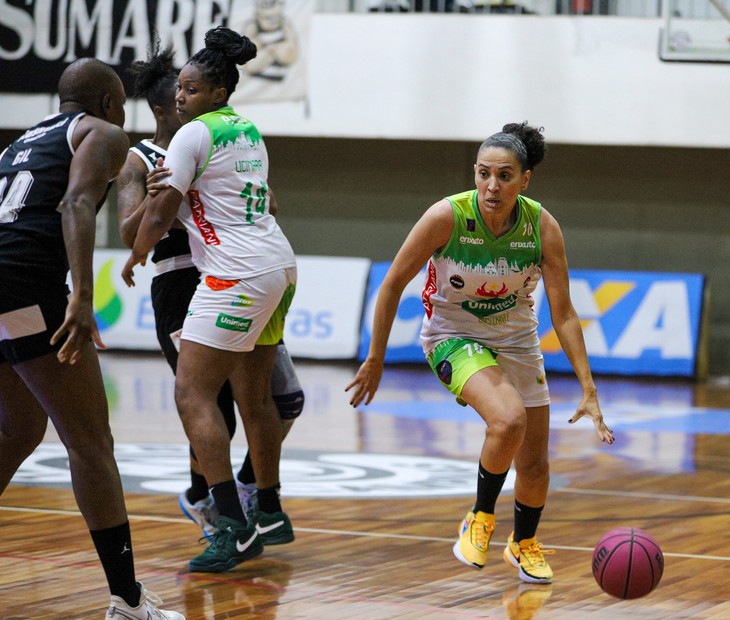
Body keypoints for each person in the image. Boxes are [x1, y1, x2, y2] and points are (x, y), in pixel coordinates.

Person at [348, 122, 613, 584]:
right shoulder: (446, 217)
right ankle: (479, 517)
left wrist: (588, 387)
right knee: (508, 420)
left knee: (534, 463)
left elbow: (565, 313)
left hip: (517, 339)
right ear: (474, 174)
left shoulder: (542, 227)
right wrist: (376, 357)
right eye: (484, 173)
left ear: (524, 180)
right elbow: (392, 285)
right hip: (452, 334)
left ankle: (524, 544)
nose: (492, 185)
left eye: (505, 176)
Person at [0, 58, 186, 620]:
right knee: (90, 441)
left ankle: (129, 601)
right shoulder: (103, 133)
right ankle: (128, 604)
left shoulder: (19, 144)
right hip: (27, 282)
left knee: (19, 429)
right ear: (109, 103)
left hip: (3, 284)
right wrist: (82, 296)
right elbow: (75, 206)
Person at [121, 27, 298, 573]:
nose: (182, 96)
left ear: (214, 92)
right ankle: (265, 509)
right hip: (275, 264)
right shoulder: (244, 129)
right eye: (179, 90)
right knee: (248, 397)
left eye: (191, 89)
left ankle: (229, 522)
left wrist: (133, 255)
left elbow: (151, 219)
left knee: (192, 396)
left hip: (227, 275)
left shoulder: (190, 138)